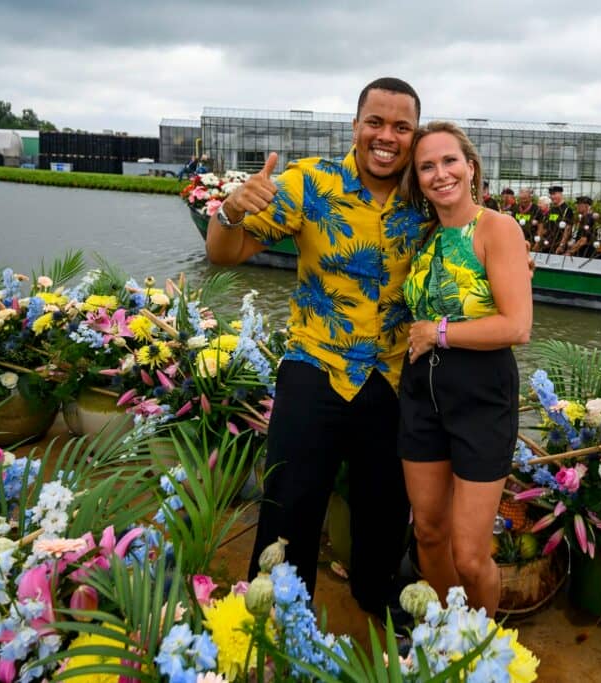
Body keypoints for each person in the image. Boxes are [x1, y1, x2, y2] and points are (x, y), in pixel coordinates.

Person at [206, 77, 426, 619]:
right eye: (375, 122)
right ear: (355, 125)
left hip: (391, 376)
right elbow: (224, 255)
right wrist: (231, 212)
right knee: (291, 502)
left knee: (384, 507)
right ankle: (276, 609)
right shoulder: (311, 182)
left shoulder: (426, 197)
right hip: (316, 366)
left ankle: (374, 596)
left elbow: (473, 249)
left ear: (414, 135)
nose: (386, 136)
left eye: (401, 127)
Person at [400, 121, 532, 613]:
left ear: (471, 167)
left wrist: (436, 332)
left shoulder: (497, 228)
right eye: (427, 167)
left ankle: (482, 648)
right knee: (429, 534)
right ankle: (444, 632)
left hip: (480, 395)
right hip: (421, 393)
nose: (440, 174)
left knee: (472, 554)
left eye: (449, 161)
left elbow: (517, 325)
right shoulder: (425, 236)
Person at [545, 185, 573, 254]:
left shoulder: (567, 210)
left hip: (558, 246)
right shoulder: (551, 210)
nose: (552, 197)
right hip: (548, 244)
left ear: (560, 194)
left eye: (554, 194)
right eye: (551, 194)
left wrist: (562, 245)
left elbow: (568, 229)